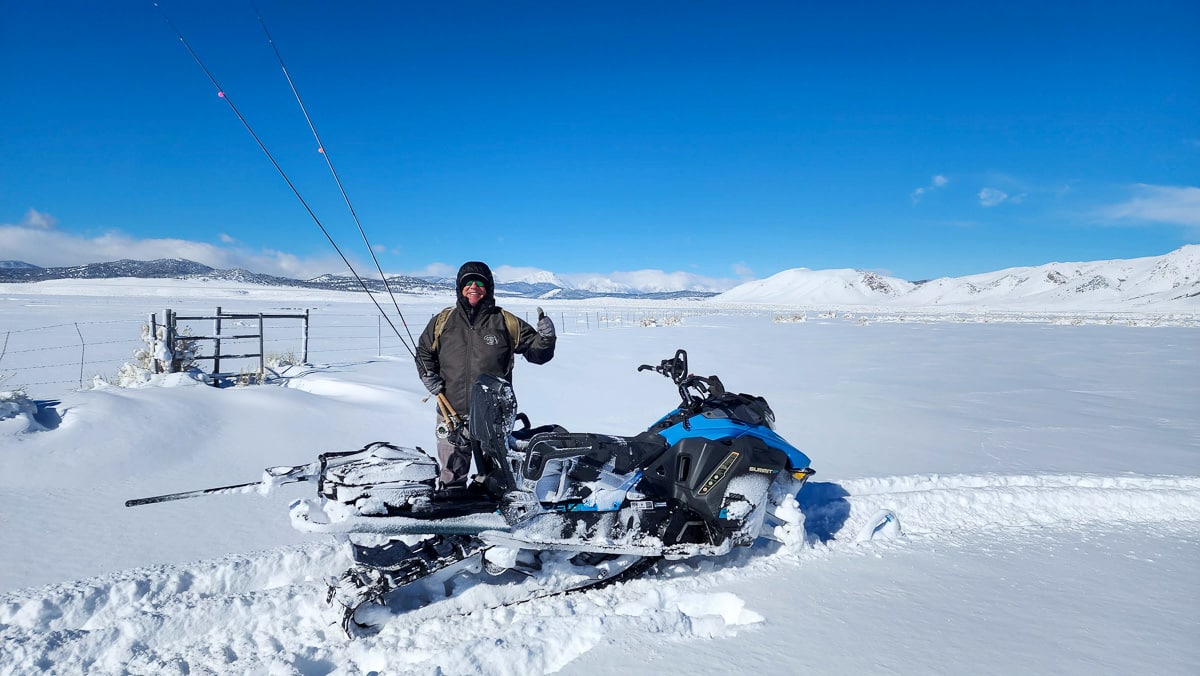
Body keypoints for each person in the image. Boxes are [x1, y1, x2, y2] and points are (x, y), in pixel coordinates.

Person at [415, 261, 556, 489]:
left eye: (480, 282)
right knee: (451, 477)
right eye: (468, 282)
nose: (474, 286)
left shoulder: (505, 321)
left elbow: (537, 353)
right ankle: (453, 516)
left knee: (497, 481)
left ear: (488, 287)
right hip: (451, 415)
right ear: (459, 287)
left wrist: (547, 339)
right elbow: (423, 351)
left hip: (493, 418)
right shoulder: (443, 321)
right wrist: (427, 374)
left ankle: (496, 519)